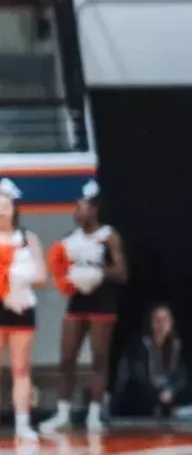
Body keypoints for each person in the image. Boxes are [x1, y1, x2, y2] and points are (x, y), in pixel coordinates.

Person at [41, 179, 127, 434]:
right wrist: (67, 277)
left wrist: (97, 272)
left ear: (94, 209)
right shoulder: (70, 239)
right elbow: (59, 269)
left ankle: (94, 414)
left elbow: (122, 273)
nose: (77, 212)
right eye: (76, 207)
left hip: (102, 304)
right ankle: (63, 412)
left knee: (99, 360)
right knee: (67, 359)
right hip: (77, 303)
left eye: (82, 207)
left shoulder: (108, 236)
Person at [0, 178, 46, 442]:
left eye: (7, 206)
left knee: (20, 369)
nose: (3, 211)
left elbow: (41, 275)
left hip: (22, 306)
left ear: (16, 209)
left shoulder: (28, 239)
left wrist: (20, 277)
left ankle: (22, 424)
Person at [117, 303, 188, 418]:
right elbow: (137, 379)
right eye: (157, 319)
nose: (162, 324)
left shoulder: (176, 346)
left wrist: (172, 392)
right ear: (150, 322)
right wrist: (158, 394)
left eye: (165, 319)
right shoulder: (140, 346)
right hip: (140, 404)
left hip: (168, 401)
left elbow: (182, 379)